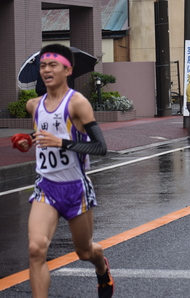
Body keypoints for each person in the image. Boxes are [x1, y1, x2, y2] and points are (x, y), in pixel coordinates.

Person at [11, 44, 114, 298]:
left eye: (53, 65)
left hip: (75, 189)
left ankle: (101, 266)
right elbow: (44, 134)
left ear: (68, 69)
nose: (46, 70)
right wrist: (27, 139)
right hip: (46, 187)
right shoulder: (34, 105)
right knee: (36, 249)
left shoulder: (77, 103)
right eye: (43, 65)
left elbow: (101, 147)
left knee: (84, 252)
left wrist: (63, 143)